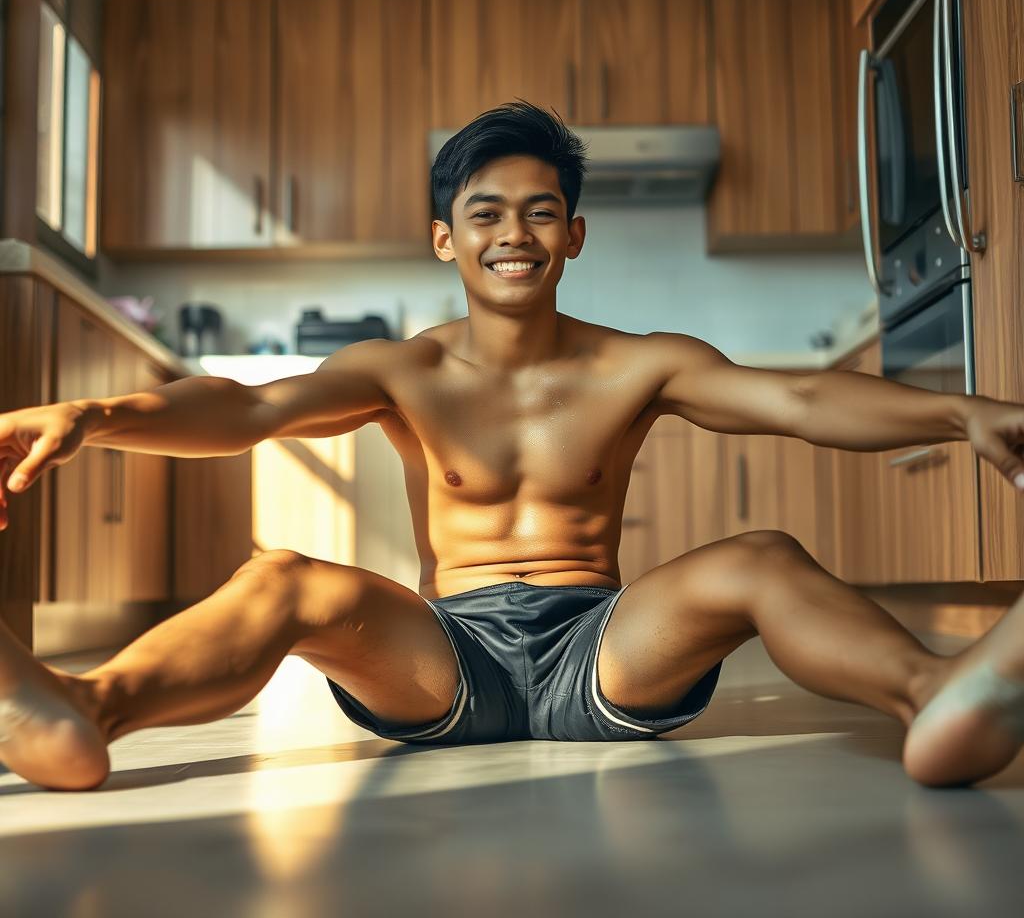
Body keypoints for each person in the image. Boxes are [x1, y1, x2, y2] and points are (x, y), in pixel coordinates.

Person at [2, 101, 1024, 793]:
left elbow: (799, 397)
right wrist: (93, 419)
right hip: (447, 658)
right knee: (284, 577)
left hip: (606, 648)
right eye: (484, 211)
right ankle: (89, 709)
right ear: (445, 237)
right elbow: (249, 410)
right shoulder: (401, 370)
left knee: (758, 557)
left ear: (573, 234)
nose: (514, 233)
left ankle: (934, 695)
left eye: (541, 211)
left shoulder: (640, 365)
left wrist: (957, 414)